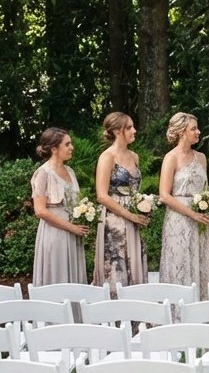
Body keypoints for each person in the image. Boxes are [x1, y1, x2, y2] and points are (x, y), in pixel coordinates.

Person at [93, 111, 149, 295]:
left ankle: (136, 316)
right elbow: (102, 195)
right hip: (114, 221)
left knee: (135, 264)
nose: (134, 130)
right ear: (118, 131)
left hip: (134, 220)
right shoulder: (107, 157)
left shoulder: (134, 156)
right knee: (116, 267)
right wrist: (130, 215)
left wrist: (144, 207)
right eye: (130, 127)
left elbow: (135, 190)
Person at [159, 112, 209, 300]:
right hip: (178, 218)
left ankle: (200, 311)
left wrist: (207, 208)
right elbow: (164, 195)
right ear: (182, 132)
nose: (198, 132)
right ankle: (176, 312)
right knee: (179, 262)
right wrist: (192, 214)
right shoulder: (170, 158)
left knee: (200, 261)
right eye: (193, 129)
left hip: (199, 218)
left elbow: (205, 189)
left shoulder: (201, 157)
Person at [30, 127, 91, 286]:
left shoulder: (70, 171)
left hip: (73, 233)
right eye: (67, 144)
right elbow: (40, 210)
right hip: (54, 233)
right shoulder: (43, 173)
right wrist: (71, 227)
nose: (72, 147)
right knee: (57, 277)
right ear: (54, 149)